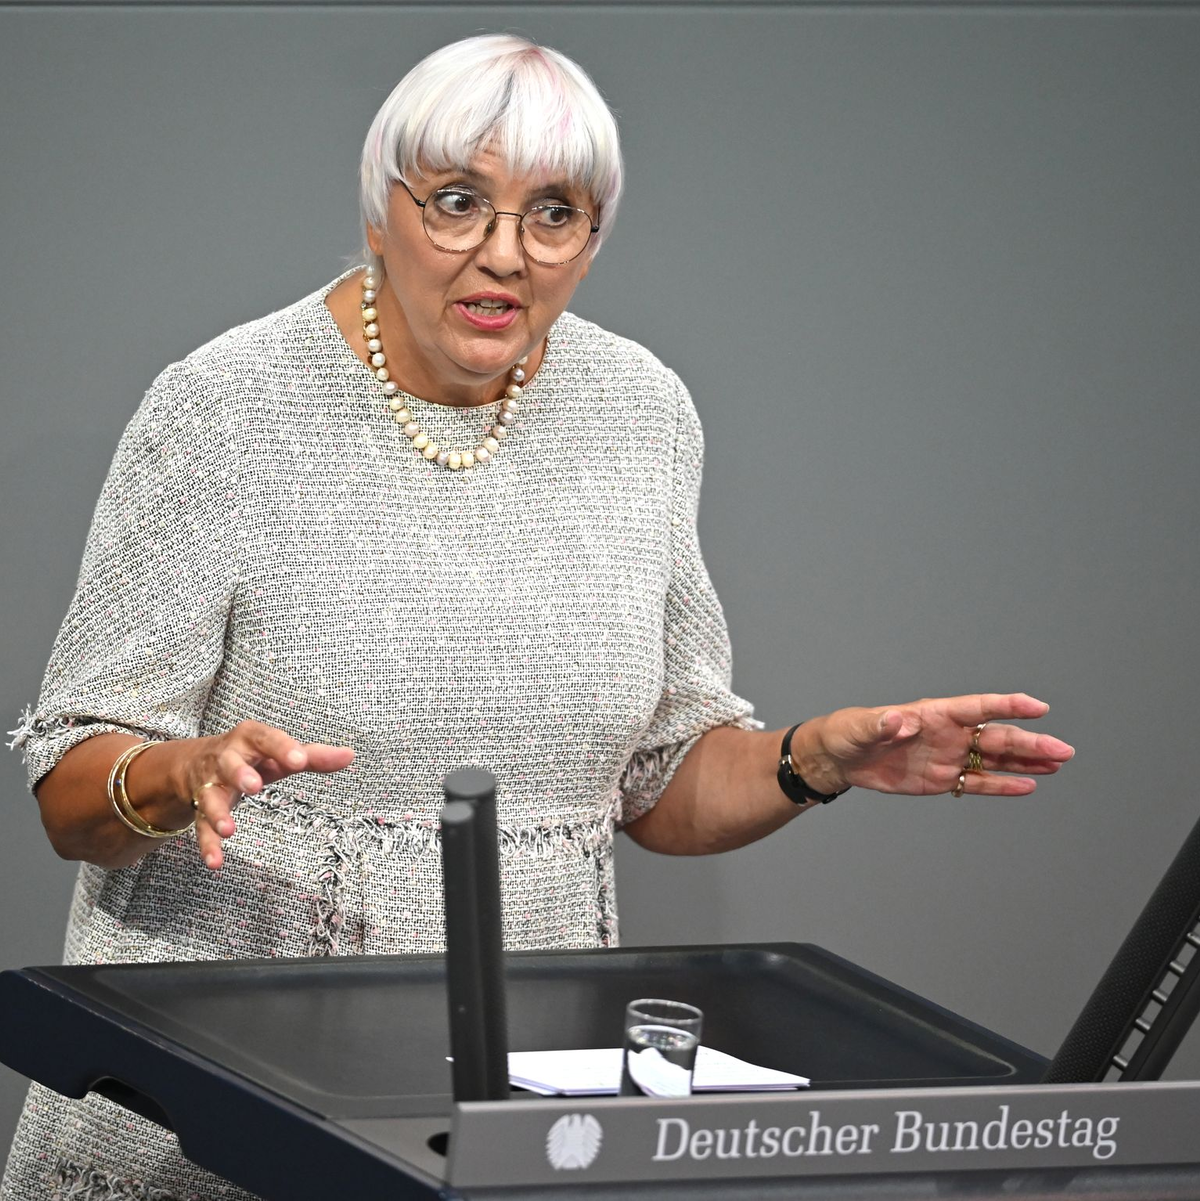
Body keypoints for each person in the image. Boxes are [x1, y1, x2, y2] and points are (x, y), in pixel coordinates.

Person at [3, 33, 1073, 1200]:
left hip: (510, 1115)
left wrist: (815, 758)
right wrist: (177, 773)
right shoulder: (222, 410)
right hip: (216, 1114)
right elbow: (70, 787)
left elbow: (654, 785)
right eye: (458, 202)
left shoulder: (642, 414)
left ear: (594, 234)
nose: (503, 252)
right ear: (380, 211)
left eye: (553, 213)